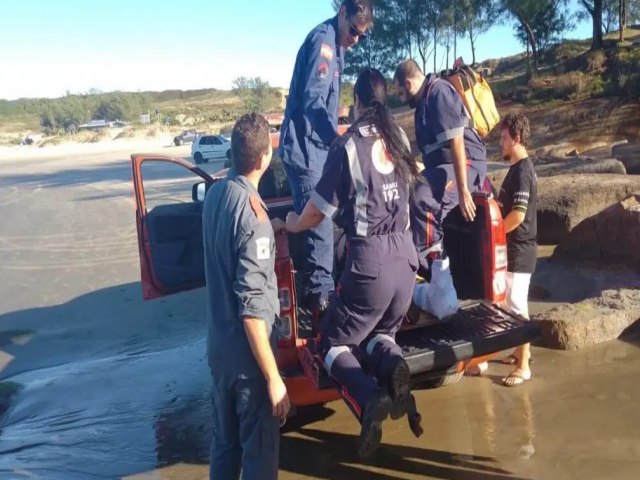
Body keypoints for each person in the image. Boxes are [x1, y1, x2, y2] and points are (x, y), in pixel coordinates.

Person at [285, 68, 422, 458]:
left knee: (332, 342)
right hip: (406, 263)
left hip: (371, 263)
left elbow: (316, 213)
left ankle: (368, 401)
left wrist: (292, 224)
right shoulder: (399, 139)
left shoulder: (347, 147)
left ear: (356, 102)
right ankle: (396, 373)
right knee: (381, 334)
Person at [203, 113, 290, 479]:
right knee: (259, 458)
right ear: (264, 158)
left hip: (220, 354)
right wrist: (273, 378)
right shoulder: (255, 218)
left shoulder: (216, 194)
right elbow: (253, 311)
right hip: (248, 367)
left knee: (225, 446)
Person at [279, 0, 373, 315]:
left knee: (334, 215)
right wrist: (337, 140)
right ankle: (323, 304)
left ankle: (329, 288)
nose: (356, 39)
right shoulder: (325, 43)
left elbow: (330, 106)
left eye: (362, 35)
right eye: (355, 31)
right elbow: (313, 100)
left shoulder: (339, 44)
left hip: (318, 149)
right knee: (317, 222)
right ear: (343, 14)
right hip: (306, 151)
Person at [393, 59, 488, 276]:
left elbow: (456, 141)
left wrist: (463, 191)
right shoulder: (422, 105)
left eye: (399, 93)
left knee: (422, 196)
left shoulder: (439, 93)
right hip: (446, 166)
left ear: (408, 84)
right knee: (410, 189)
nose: (400, 98)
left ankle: (434, 272)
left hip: (467, 163)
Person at [496, 112, 537, 387]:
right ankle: (522, 351)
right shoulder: (515, 168)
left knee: (516, 307)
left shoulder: (523, 171)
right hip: (515, 250)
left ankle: (524, 367)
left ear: (517, 139)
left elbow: (518, 215)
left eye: (503, 138)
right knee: (513, 304)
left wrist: (495, 236)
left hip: (520, 250)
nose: (500, 143)